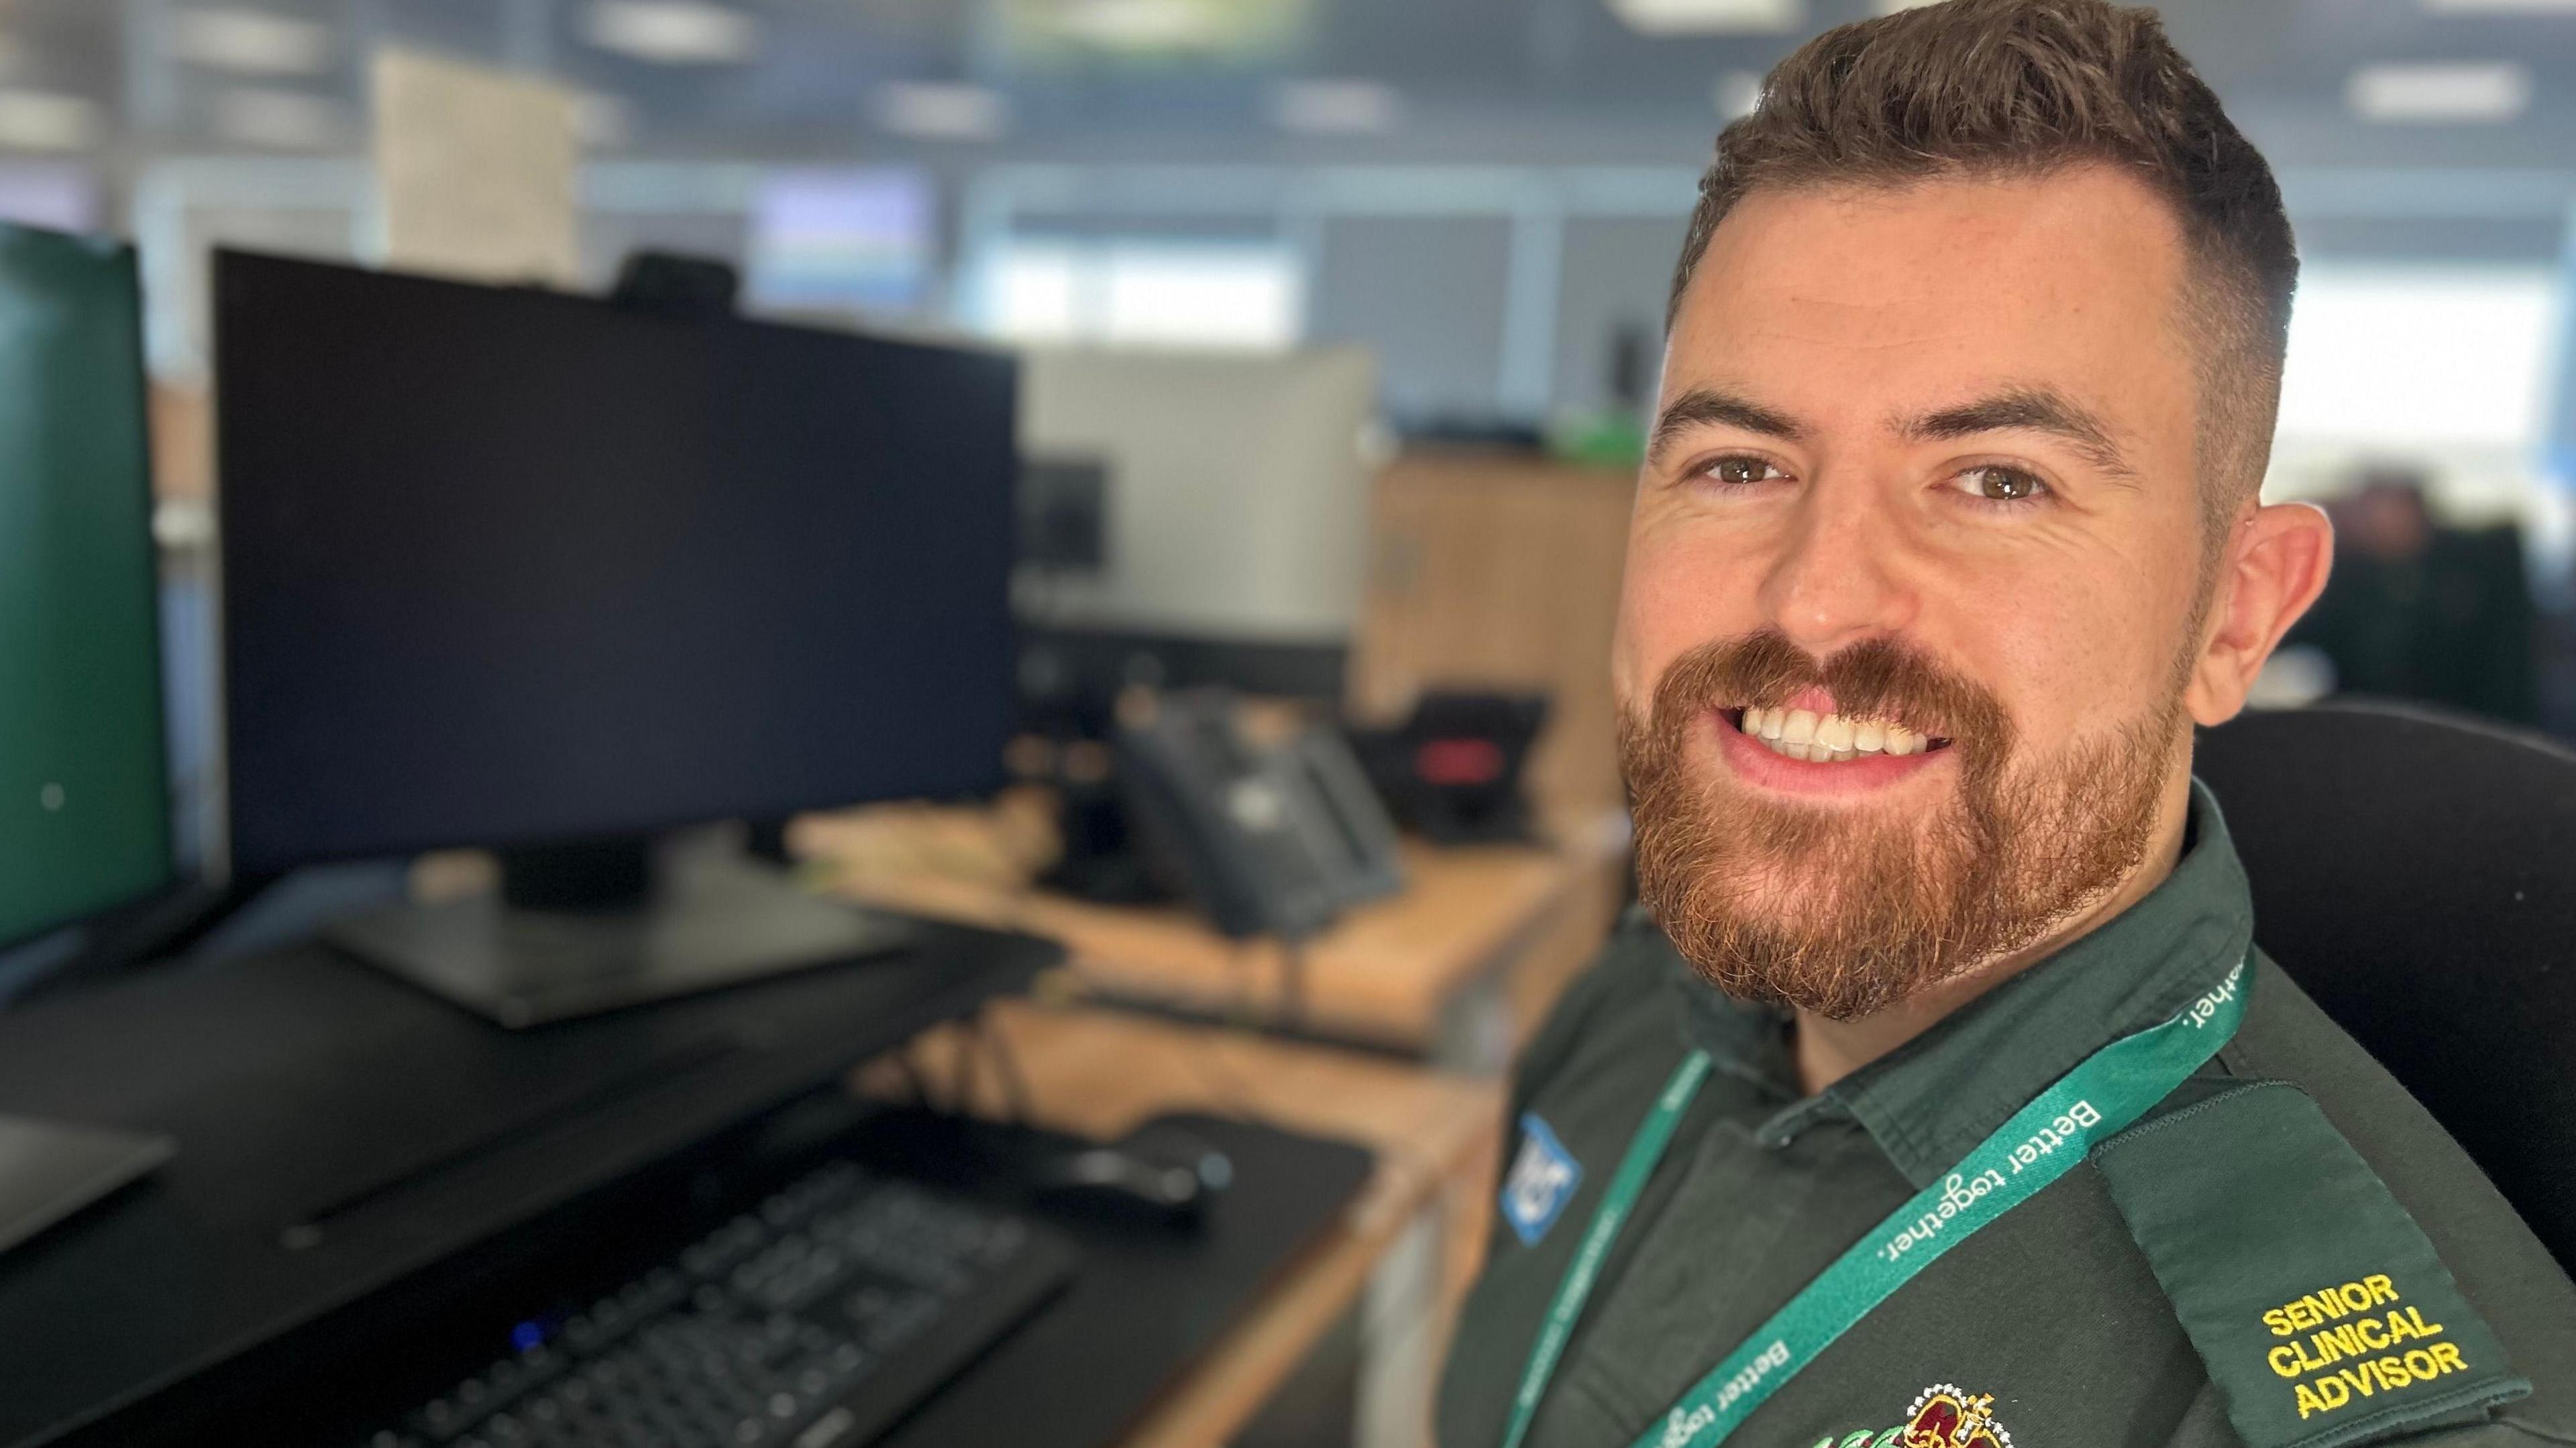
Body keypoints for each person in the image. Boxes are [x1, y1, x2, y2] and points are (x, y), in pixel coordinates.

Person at [1432, 3, 2576, 1446]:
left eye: (1998, 481)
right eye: (1738, 462)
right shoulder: (1639, 998)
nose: (1818, 601)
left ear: (2236, 612)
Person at [2290, 465, 2542, 726]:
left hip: (2465, 726)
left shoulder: (2472, 572)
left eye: (2383, 508)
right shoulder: (2353, 580)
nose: (2373, 522)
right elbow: (2308, 636)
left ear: (2414, 508)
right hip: (2370, 726)